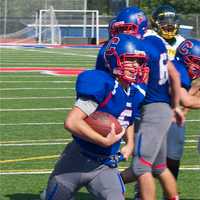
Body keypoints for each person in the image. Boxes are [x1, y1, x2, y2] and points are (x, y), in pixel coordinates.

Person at [44, 33, 150, 200]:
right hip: (76, 160)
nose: (136, 65)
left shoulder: (136, 91)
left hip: (105, 165)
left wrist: (130, 143)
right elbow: (72, 122)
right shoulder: (102, 83)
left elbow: (127, 119)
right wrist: (103, 140)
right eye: (130, 59)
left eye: (139, 61)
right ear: (115, 59)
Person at [166, 38, 200, 181]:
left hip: (165, 115)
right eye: (196, 62)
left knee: (171, 159)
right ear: (185, 58)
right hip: (151, 116)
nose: (198, 67)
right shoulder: (178, 69)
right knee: (147, 166)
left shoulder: (178, 67)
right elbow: (185, 100)